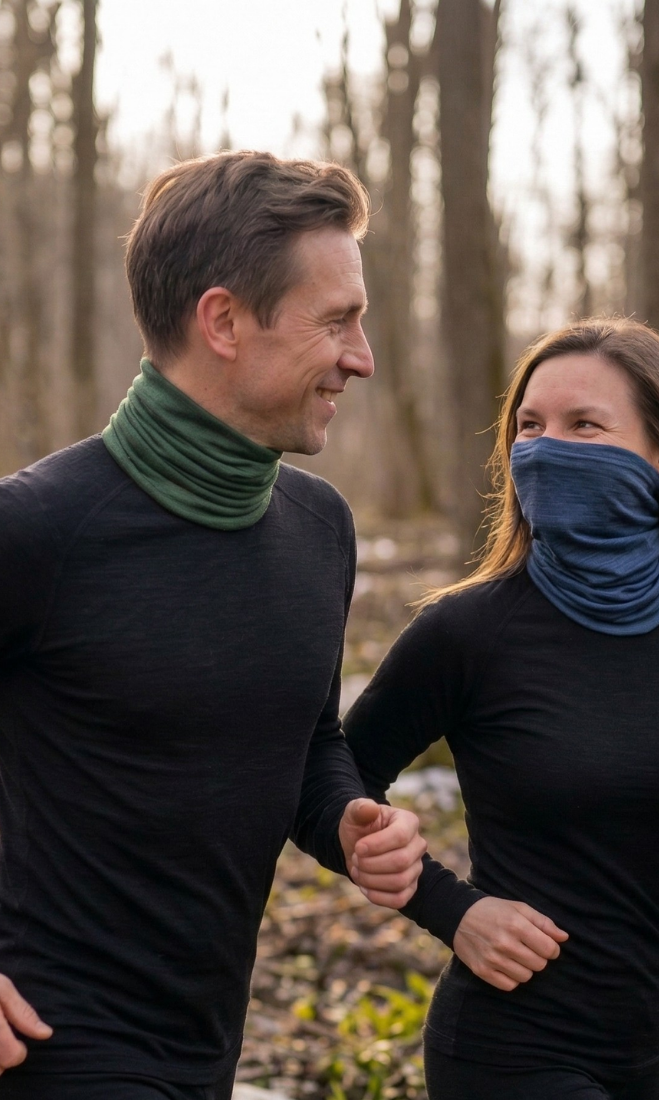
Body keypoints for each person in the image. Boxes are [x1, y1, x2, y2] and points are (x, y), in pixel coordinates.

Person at [0, 150, 427, 1099]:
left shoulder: (320, 529)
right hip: (47, 1049)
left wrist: (347, 819)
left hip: (208, 1048)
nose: (362, 356)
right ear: (225, 321)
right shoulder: (37, 529)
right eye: (338, 322)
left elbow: (306, 735)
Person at [344, 317, 659, 1100]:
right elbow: (327, 780)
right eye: (529, 426)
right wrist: (449, 908)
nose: (545, 447)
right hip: (504, 1045)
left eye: (583, 424)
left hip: (644, 1044)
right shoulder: (467, 629)